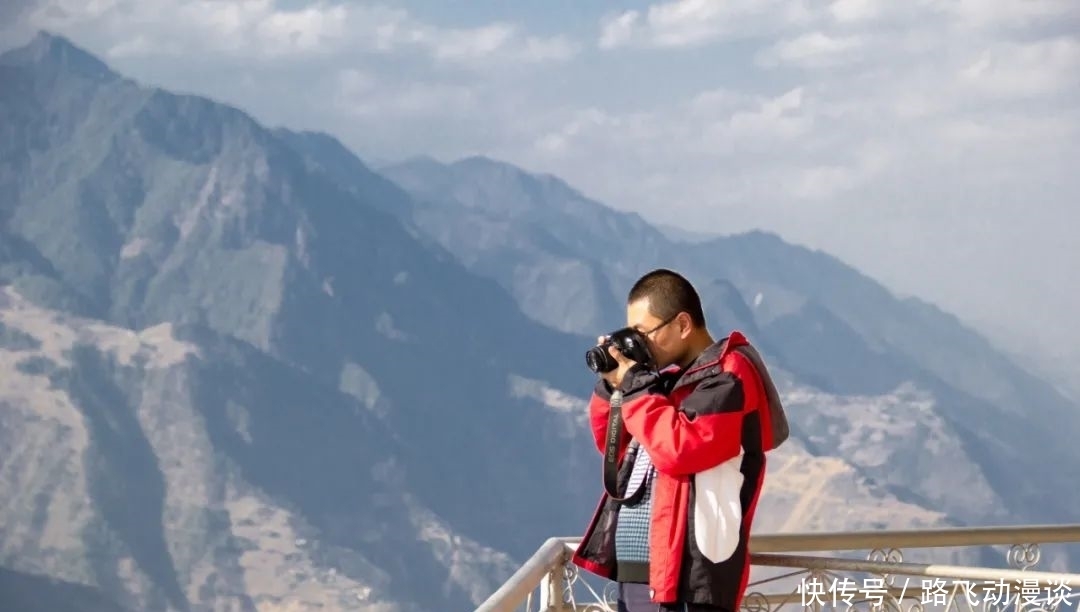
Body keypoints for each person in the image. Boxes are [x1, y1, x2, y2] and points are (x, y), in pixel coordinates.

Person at [571, 268, 786, 612]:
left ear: (683, 325)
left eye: (644, 333)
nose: (639, 345)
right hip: (640, 570)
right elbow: (615, 445)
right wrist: (613, 386)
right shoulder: (666, 382)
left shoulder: (729, 375)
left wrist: (637, 386)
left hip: (689, 576)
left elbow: (679, 450)